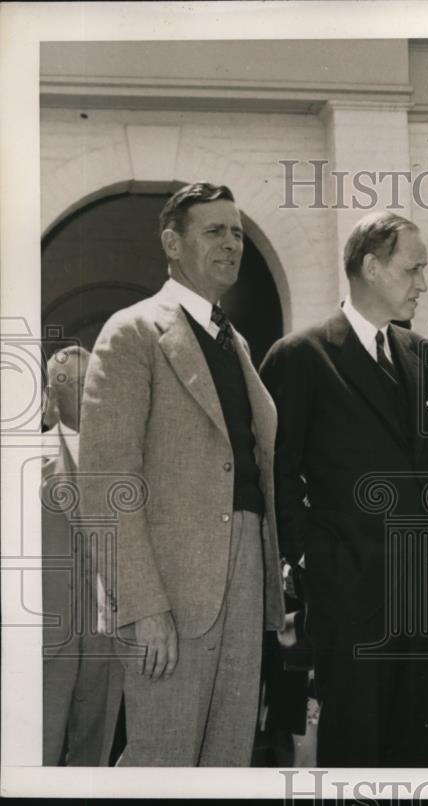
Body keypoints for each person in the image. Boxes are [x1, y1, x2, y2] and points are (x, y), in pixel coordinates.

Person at [79, 182, 284, 766]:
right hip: (168, 592)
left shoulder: (235, 342)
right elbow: (107, 484)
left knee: (227, 763)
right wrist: (143, 608)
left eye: (238, 233)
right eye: (214, 231)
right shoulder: (134, 331)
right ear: (173, 243)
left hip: (243, 578)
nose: (232, 244)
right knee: (161, 761)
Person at [260, 211, 428, 767]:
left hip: (424, 599)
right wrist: (313, 557)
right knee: (357, 751)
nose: (422, 283)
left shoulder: (425, 357)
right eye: (412, 269)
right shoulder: (300, 356)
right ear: (371, 267)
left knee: (423, 756)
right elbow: (275, 470)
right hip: (350, 600)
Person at [41, 346, 123, 765]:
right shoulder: (23, 462)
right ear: (51, 396)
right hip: (48, 638)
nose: (85, 389)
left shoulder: (125, 460)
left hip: (108, 638)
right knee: (39, 755)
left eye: (91, 379)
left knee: (95, 761)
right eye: (71, 382)